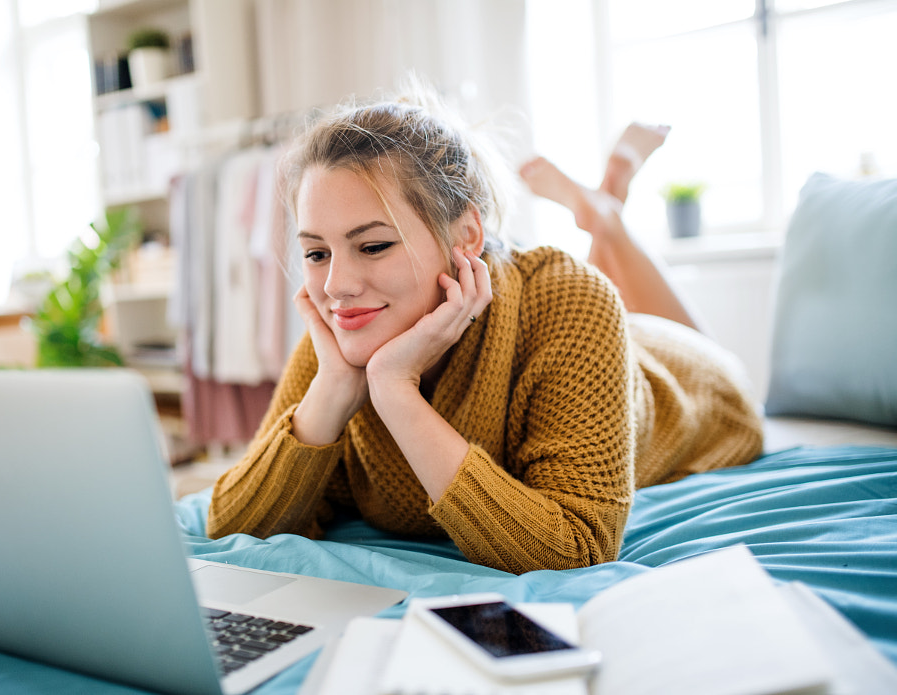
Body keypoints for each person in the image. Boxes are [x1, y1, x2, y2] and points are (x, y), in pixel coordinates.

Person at [206, 86, 764, 575]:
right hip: (571, 329)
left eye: (373, 245)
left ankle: (605, 213)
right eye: (316, 252)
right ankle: (604, 207)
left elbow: (578, 546)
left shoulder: (571, 300)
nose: (336, 286)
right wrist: (331, 394)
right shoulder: (346, 331)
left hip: (690, 382)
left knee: (609, 294)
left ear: (467, 235)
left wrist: (396, 392)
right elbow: (230, 524)